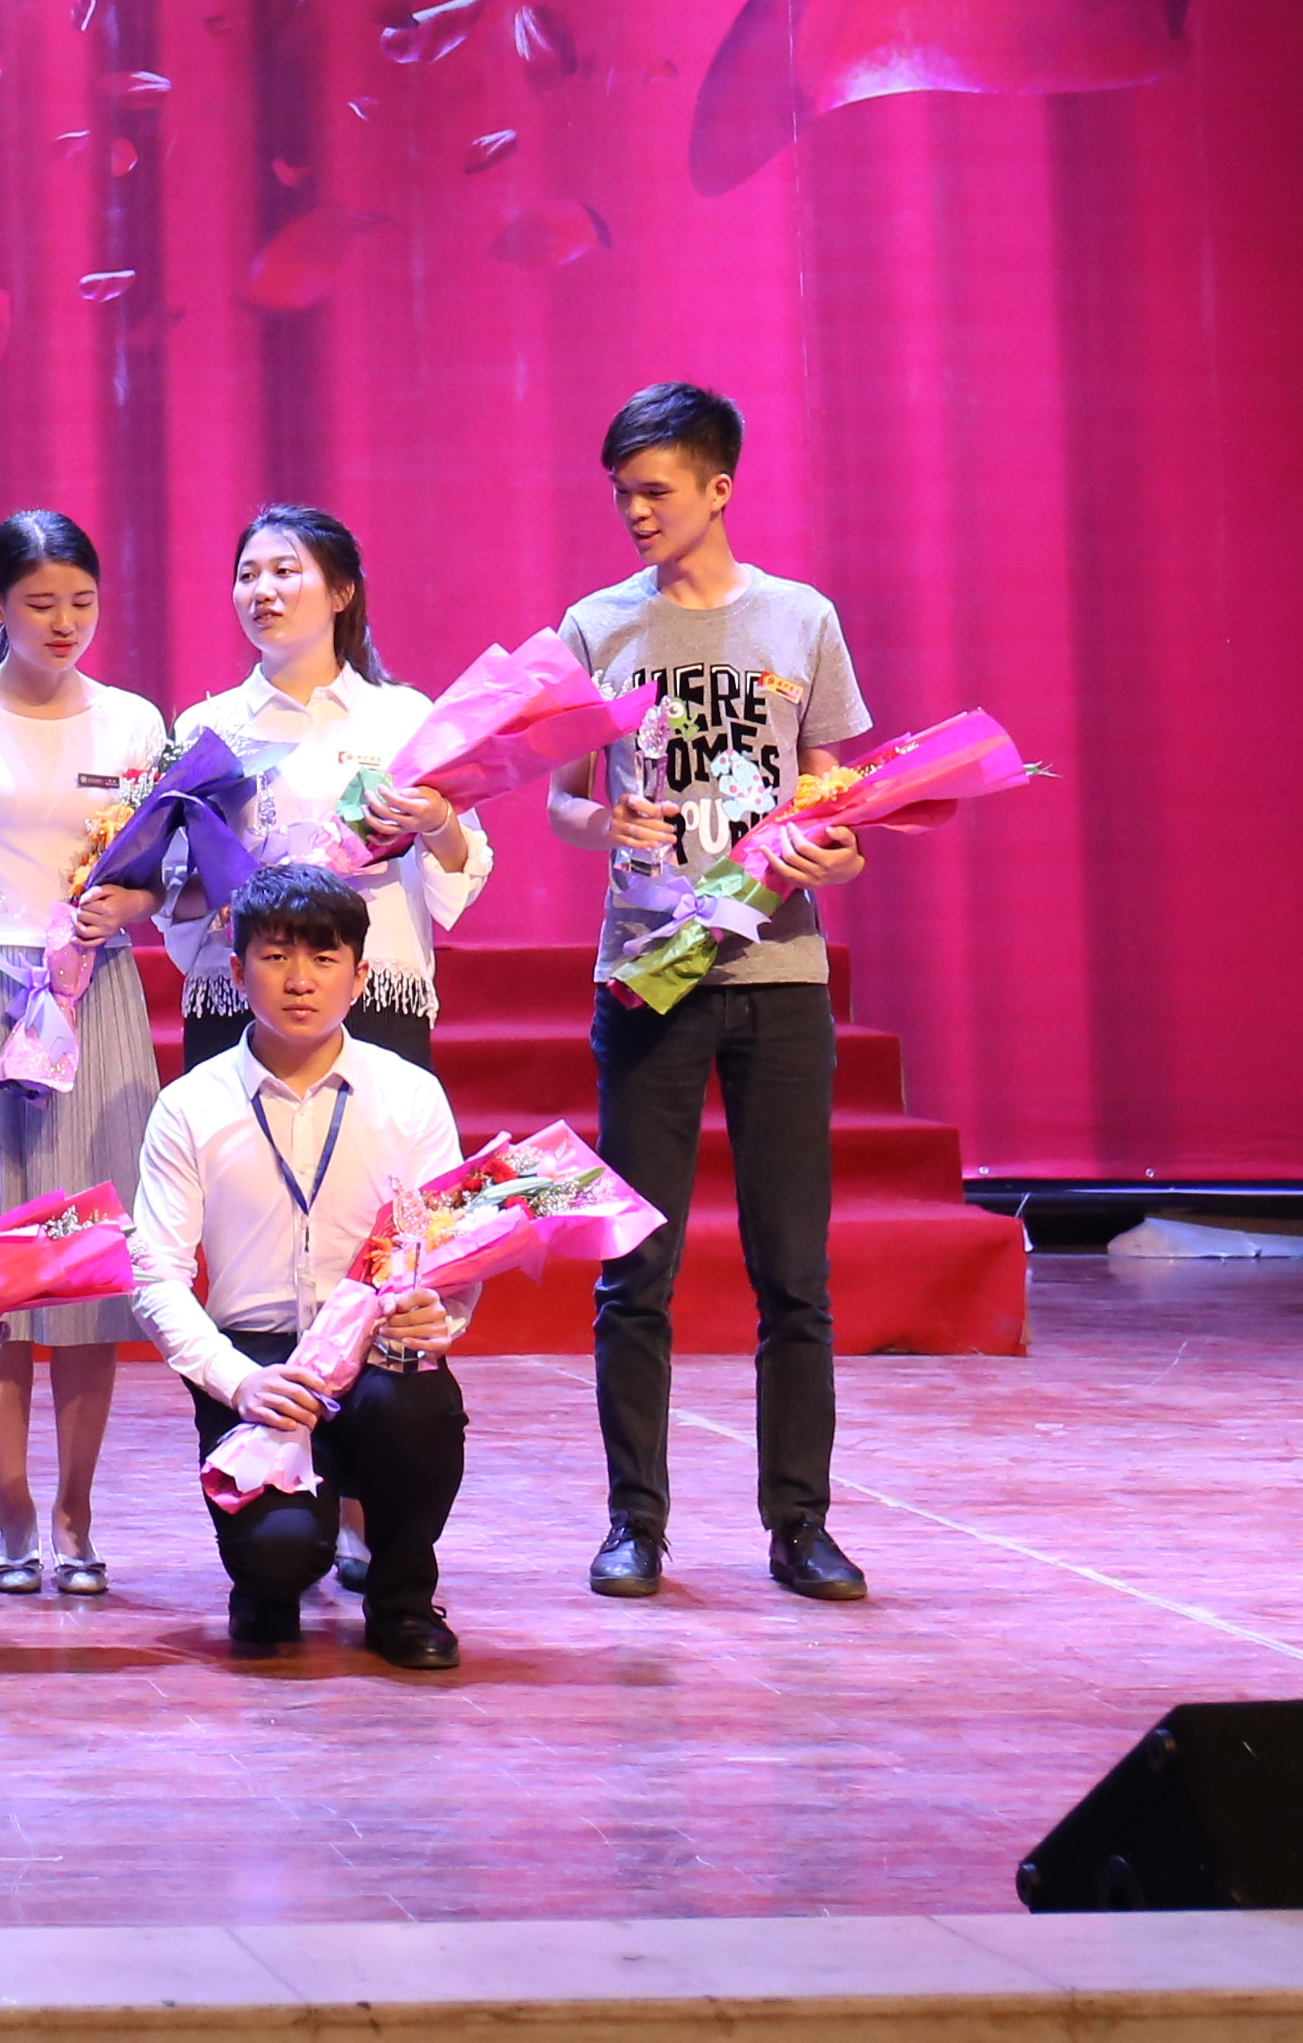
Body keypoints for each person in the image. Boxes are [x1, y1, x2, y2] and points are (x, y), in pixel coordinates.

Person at [551, 378, 879, 1607]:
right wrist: (604, 821)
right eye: (622, 494)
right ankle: (635, 1523)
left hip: (779, 974)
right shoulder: (596, 627)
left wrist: (840, 848)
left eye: (656, 491)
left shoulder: (800, 620)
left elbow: (835, 795)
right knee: (636, 1266)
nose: (636, 512)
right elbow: (560, 799)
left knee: (793, 1269)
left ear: (719, 489)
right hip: (649, 977)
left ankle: (801, 1525)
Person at [0, 510, 171, 1600]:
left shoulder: (135, 722)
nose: (64, 623)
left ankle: (76, 1510)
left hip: (95, 989)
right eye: (40, 603)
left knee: (91, 1260)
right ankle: (10, 1510)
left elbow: (165, 876)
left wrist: (127, 905)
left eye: (82, 603)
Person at [126, 865, 473, 1671]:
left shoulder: (411, 1096)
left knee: (421, 1409)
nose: (300, 980)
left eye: (324, 958)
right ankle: (267, 1574)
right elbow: (154, 1275)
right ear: (237, 968)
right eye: (276, 956)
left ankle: (402, 1598)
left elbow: (448, 1251)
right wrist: (237, 1380)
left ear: (361, 974)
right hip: (256, 1359)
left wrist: (443, 1312)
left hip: (374, 1347)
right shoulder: (191, 1104)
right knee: (276, 1564)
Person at [161, 507, 483, 1069]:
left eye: (284, 571)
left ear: (341, 593)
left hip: (372, 982)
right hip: (242, 985)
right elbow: (171, 889)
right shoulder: (204, 727)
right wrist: (225, 885)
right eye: (247, 575)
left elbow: (463, 870)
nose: (262, 591)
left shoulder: (402, 717)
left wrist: (435, 820)